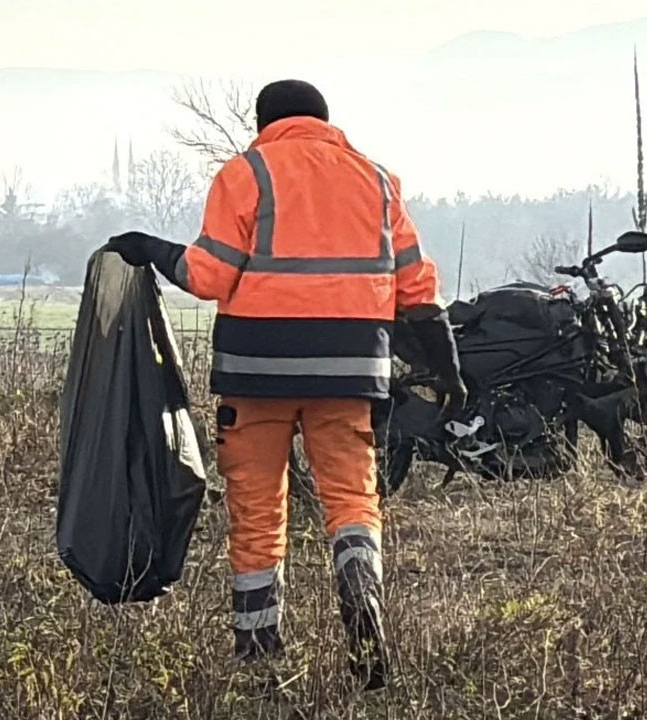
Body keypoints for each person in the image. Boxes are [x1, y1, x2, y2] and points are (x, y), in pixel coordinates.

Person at [107, 79, 467, 689]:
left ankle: (259, 650)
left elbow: (210, 275)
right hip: (351, 373)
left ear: (262, 120)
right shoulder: (377, 181)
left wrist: (150, 249)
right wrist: (449, 369)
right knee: (352, 499)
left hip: (257, 373)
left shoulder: (246, 173)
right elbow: (416, 290)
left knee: (256, 507)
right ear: (326, 120)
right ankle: (362, 596)